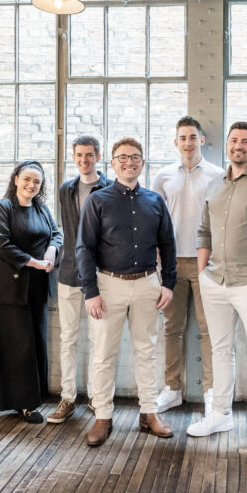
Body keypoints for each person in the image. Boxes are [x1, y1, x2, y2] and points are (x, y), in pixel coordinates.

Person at [186, 122, 247, 460]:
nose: (238, 145)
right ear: (227, 146)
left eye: (245, 141)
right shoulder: (215, 184)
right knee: (219, 349)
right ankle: (220, 415)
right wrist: (202, 275)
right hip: (215, 281)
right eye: (233, 140)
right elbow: (204, 231)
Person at [77, 137, 177, 447]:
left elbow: (168, 244)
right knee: (104, 354)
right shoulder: (98, 200)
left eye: (134, 157)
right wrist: (90, 291)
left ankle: (149, 413)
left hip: (148, 283)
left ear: (142, 163)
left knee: (146, 351)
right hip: (108, 286)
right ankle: (103, 416)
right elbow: (84, 248)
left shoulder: (155, 201)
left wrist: (168, 283)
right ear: (112, 163)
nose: (129, 162)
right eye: (122, 157)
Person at [150, 116, 223, 415]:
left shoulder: (218, 175)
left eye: (193, 137)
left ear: (201, 140)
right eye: (183, 137)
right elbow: (154, 219)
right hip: (171, 265)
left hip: (207, 263)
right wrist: (157, 259)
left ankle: (211, 392)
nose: (188, 142)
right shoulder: (163, 176)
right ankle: (172, 389)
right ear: (175, 142)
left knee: (210, 331)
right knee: (172, 328)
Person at [0, 161, 62, 423]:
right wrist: (35, 263)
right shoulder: (3, 207)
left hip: (37, 286)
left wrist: (51, 250)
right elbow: (3, 245)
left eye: (37, 181)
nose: (32, 185)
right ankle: (23, 403)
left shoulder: (41, 207)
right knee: (18, 346)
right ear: (16, 178)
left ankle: (35, 396)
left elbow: (56, 234)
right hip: (10, 287)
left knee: (35, 341)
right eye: (27, 179)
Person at [49, 135, 109, 424]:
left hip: (100, 274)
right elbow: (67, 230)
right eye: (79, 155)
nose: (84, 160)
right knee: (68, 338)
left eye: (89, 155)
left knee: (98, 339)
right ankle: (68, 397)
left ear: (98, 157)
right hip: (69, 272)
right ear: (73, 158)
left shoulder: (109, 188)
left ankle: (97, 397)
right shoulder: (66, 189)